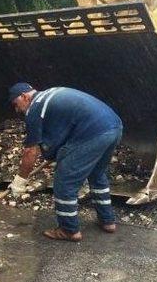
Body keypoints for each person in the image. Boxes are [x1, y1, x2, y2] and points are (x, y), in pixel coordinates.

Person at [8, 82, 123, 242]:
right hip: (114, 127)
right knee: (96, 174)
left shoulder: (35, 109)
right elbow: (63, 134)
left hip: (93, 133)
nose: (17, 110)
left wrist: (20, 181)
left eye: (16, 104)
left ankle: (69, 230)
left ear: (24, 96)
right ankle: (108, 221)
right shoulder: (51, 95)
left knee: (64, 181)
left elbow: (30, 151)